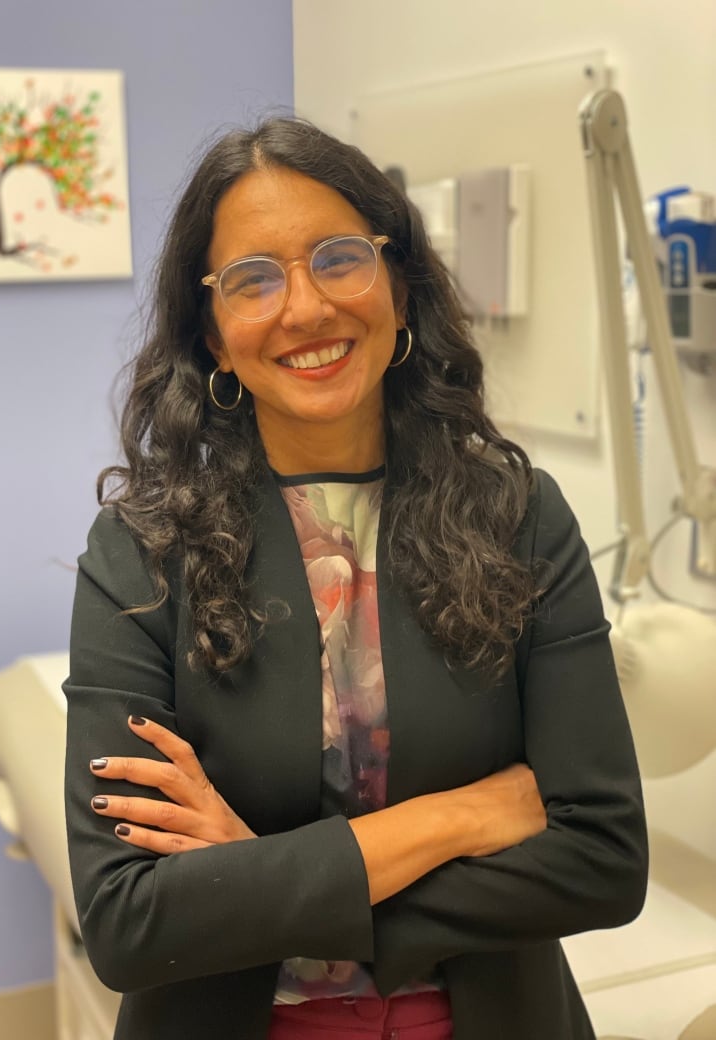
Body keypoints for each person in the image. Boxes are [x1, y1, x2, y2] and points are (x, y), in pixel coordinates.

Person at [63, 117, 648, 1040]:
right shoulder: (142, 552)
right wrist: (461, 817)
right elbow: (131, 923)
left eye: (339, 258)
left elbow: (604, 857)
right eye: (252, 279)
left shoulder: (520, 516)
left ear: (400, 285)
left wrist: (266, 884)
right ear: (213, 335)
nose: (304, 308)